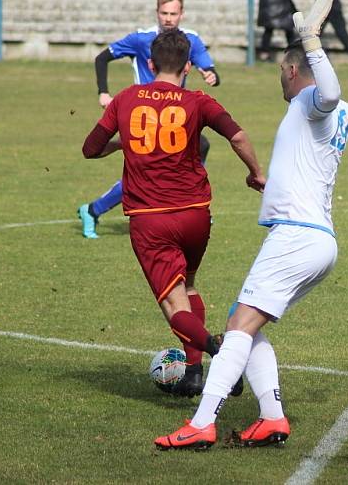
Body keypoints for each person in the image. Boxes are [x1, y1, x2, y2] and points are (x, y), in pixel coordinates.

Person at [152, 0, 348, 451]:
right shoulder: (342, 112)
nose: (280, 83)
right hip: (318, 242)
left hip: (296, 236)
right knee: (244, 323)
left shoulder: (313, 99)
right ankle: (271, 419)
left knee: (237, 329)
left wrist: (311, 41)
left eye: (280, 74)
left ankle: (202, 422)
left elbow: (327, 91)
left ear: (292, 70)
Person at [81, 29, 266, 398]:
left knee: (172, 301)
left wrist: (124, 143)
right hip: (196, 216)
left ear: (150, 64)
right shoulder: (198, 100)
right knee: (189, 286)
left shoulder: (126, 98)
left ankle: (220, 353)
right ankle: (194, 373)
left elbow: (91, 148)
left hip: (152, 219)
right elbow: (239, 137)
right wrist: (256, 174)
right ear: (186, 66)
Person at [78, 0, 220, 239]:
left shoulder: (190, 40)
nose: (168, 18)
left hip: (175, 116)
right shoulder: (140, 39)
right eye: (163, 13)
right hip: (143, 115)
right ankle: (94, 209)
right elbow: (102, 58)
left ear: (181, 14)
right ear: (157, 13)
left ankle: (94, 209)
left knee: (198, 147)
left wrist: (212, 76)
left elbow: (208, 68)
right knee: (151, 171)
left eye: (173, 13)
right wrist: (103, 92)